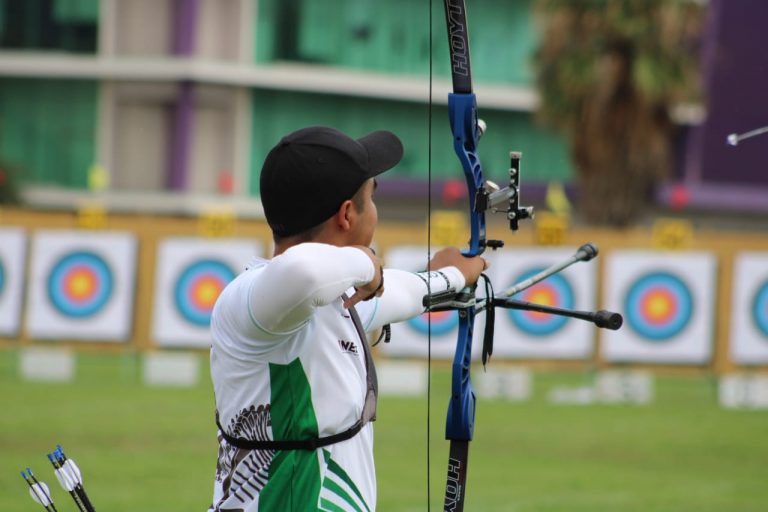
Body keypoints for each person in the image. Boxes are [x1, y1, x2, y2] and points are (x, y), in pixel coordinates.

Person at [208, 126, 486, 511]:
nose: (375, 210)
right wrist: (366, 263)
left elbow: (401, 294)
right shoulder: (250, 302)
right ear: (346, 214)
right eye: (372, 197)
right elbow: (303, 272)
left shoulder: (335, 301)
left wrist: (452, 276)